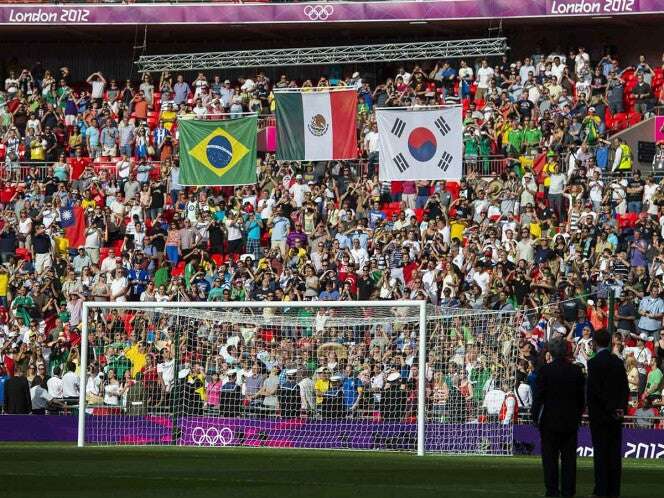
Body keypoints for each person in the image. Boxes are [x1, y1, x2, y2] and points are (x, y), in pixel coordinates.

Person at [531, 338, 585, 498]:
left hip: (549, 421)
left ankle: (552, 490)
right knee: (569, 460)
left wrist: (535, 418)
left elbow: (538, 397)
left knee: (550, 459)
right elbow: (581, 398)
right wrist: (578, 415)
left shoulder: (545, 371)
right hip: (569, 421)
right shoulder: (575, 371)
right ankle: (568, 491)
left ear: (551, 352)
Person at [587, 329, 629, 498]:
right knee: (614, 454)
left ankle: (601, 490)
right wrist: (620, 408)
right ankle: (614, 491)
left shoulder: (593, 363)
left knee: (600, 454)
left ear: (595, 342)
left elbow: (594, 392)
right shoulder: (617, 362)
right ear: (610, 342)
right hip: (615, 415)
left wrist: (608, 408)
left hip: (600, 415)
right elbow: (624, 389)